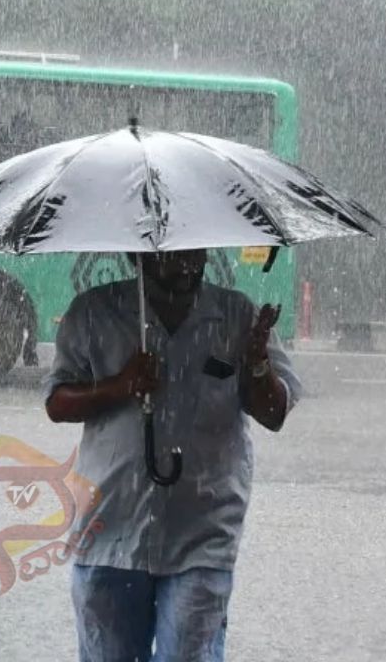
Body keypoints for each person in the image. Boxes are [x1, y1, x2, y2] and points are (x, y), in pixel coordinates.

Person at [46, 248, 302, 661]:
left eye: (195, 251)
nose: (188, 262)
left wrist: (257, 365)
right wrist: (121, 385)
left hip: (202, 533)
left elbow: (273, 412)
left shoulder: (236, 316)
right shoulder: (93, 313)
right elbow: (57, 402)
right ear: (137, 255)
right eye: (171, 255)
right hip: (110, 531)